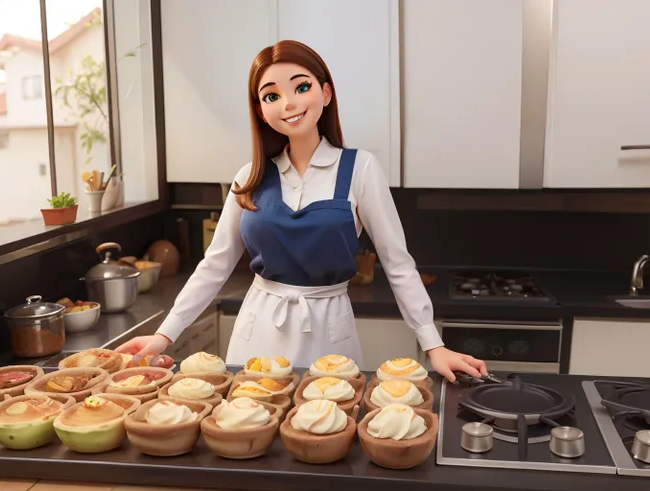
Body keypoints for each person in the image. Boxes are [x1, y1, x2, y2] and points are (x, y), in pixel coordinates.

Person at [116, 40, 487, 382]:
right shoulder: (250, 177)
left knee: (326, 434)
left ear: (326, 93)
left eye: (301, 87)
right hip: (256, 334)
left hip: (329, 333)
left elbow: (397, 263)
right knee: (251, 430)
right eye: (272, 95)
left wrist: (433, 345)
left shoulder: (360, 169)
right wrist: (165, 334)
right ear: (261, 111)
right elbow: (215, 264)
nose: (288, 103)